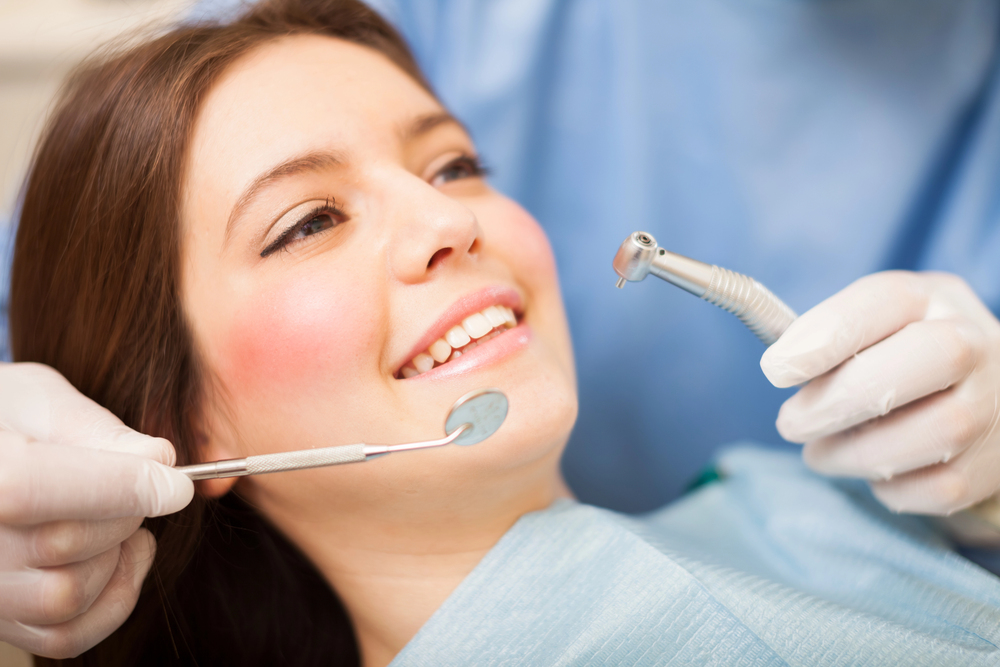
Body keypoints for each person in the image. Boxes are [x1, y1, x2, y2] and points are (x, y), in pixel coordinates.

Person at [5, 1, 1000, 664]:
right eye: (309, 221)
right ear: (180, 427)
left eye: (454, 166)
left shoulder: (804, 509)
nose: (452, 222)